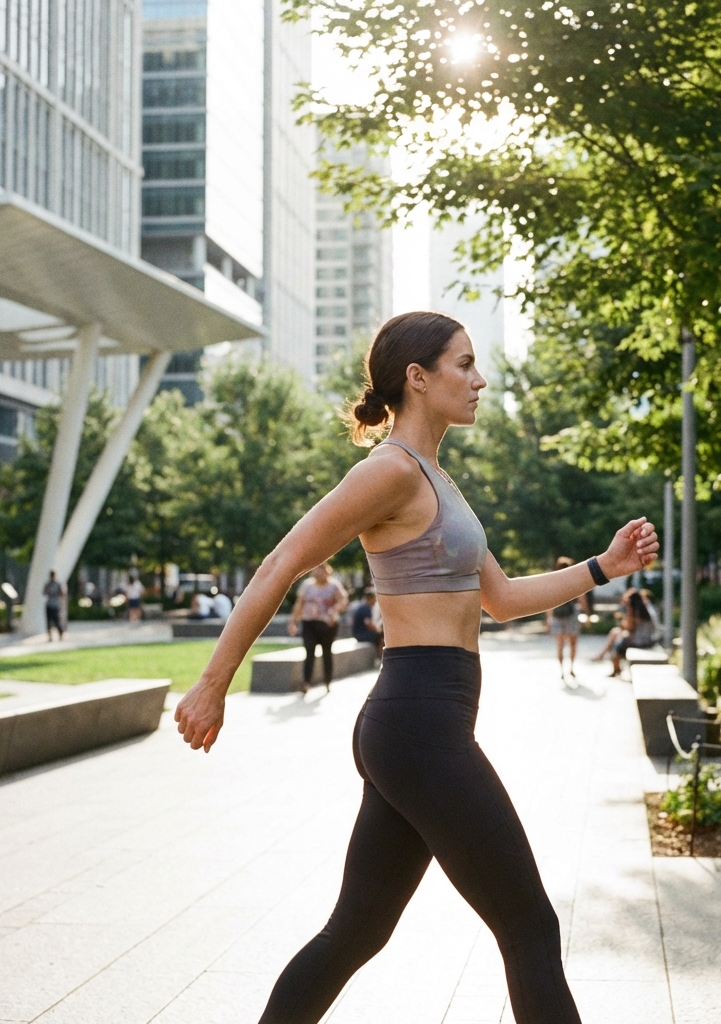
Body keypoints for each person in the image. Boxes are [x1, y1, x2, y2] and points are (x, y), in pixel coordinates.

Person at [173, 311, 659, 1024]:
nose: (480, 379)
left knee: (357, 931)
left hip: (419, 724)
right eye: (465, 364)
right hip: (419, 723)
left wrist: (602, 568)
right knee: (530, 927)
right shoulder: (389, 472)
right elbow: (283, 562)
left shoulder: (438, 478)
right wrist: (213, 684)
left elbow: (498, 600)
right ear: (418, 377)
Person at [288, 563, 349, 693]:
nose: (318, 573)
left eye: (321, 570)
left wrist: (335, 609)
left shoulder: (334, 585)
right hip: (309, 622)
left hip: (327, 624)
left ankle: (327, 681)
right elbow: (299, 604)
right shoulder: (307, 585)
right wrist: (293, 621)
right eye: (316, 571)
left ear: (327, 572)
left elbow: (343, 600)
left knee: (326, 652)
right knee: (309, 651)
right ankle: (306, 683)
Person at [593, 588, 656, 677]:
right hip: (648, 639)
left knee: (617, 643)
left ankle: (614, 666)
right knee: (616, 635)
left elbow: (629, 628)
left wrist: (623, 619)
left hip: (640, 640)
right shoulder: (643, 609)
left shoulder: (634, 611)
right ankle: (604, 656)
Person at [545, 556, 589, 683]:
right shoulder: (575, 581)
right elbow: (582, 599)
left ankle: (561, 671)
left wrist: (549, 620)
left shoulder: (552, 582)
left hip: (557, 616)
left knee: (560, 645)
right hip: (572, 615)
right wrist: (586, 614)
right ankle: (571, 668)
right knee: (573, 644)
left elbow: (548, 603)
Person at [352, 586, 384, 656]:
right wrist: (379, 630)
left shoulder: (366, 607)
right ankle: (380, 656)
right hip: (360, 634)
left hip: (361, 633)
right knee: (380, 636)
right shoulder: (364, 608)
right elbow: (368, 624)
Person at [43, 570, 66, 641]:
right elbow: (44, 592)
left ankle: (60, 633)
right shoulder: (48, 584)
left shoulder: (58, 584)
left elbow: (62, 593)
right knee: (49, 621)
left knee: (57, 621)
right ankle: (50, 636)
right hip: (49, 604)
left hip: (55, 604)